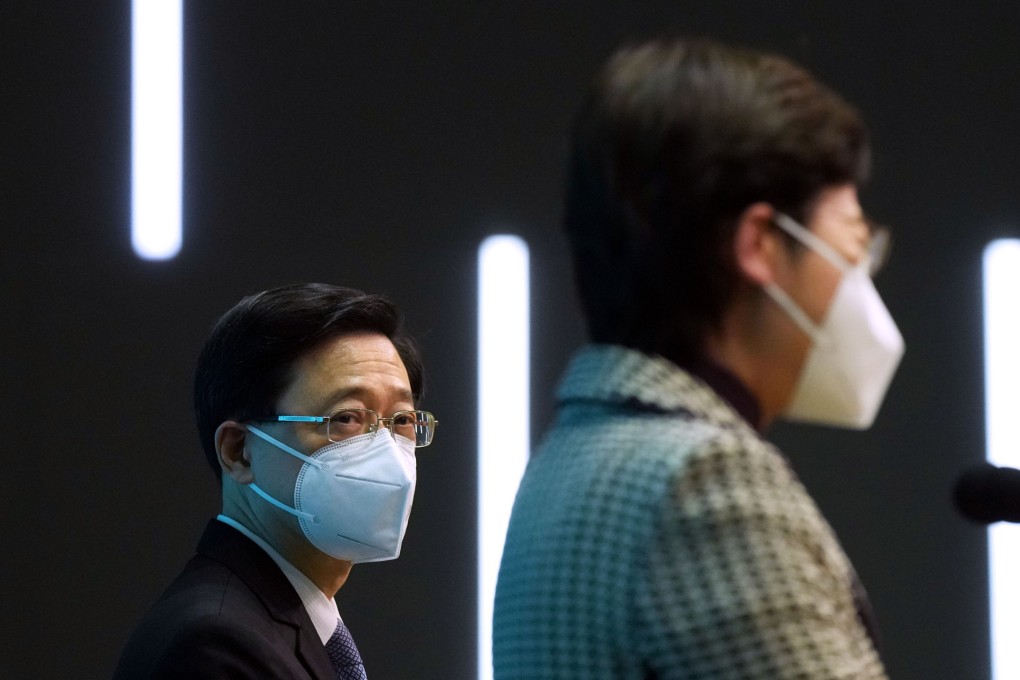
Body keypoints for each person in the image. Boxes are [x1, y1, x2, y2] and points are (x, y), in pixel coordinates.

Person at [493, 38, 902, 679]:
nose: (861, 274)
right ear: (761, 244)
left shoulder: (577, 451)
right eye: (855, 242)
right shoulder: (705, 484)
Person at [114, 283, 437, 679]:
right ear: (239, 451)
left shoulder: (287, 619)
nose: (385, 451)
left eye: (401, 420)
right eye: (347, 418)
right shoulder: (214, 644)